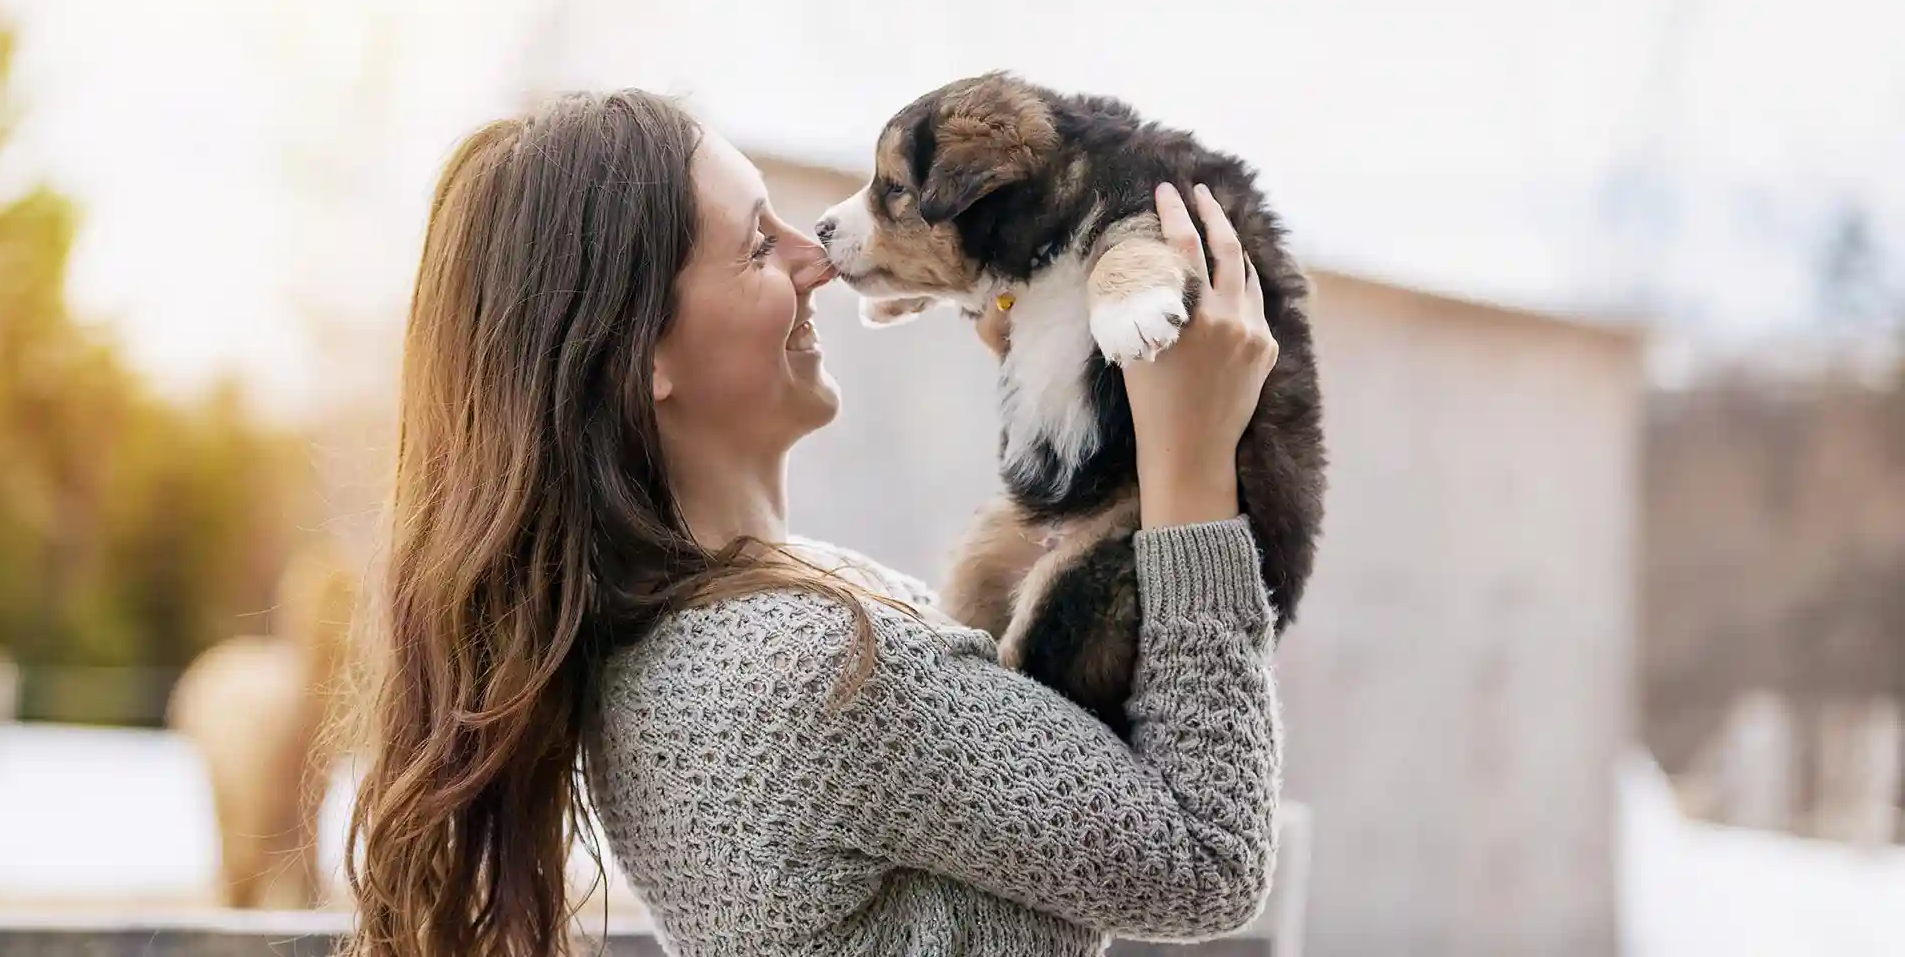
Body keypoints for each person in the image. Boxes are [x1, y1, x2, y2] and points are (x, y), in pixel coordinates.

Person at [345, 90, 1283, 957]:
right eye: (758, 246)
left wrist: (1051, 351)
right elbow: (1209, 859)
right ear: (640, 361)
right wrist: (1191, 469)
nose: (816, 261)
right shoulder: (816, 668)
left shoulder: (704, 638)